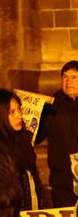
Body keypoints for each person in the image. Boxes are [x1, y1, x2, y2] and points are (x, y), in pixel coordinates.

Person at [0, 88, 46, 210]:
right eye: (12, 112)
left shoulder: (23, 139)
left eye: (19, 109)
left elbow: (33, 177)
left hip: (32, 210)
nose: (19, 115)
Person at [40, 60, 78, 208]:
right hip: (62, 178)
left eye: (74, 77)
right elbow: (38, 136)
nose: (68, 81)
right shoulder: (51, 105)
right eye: (65, 77)